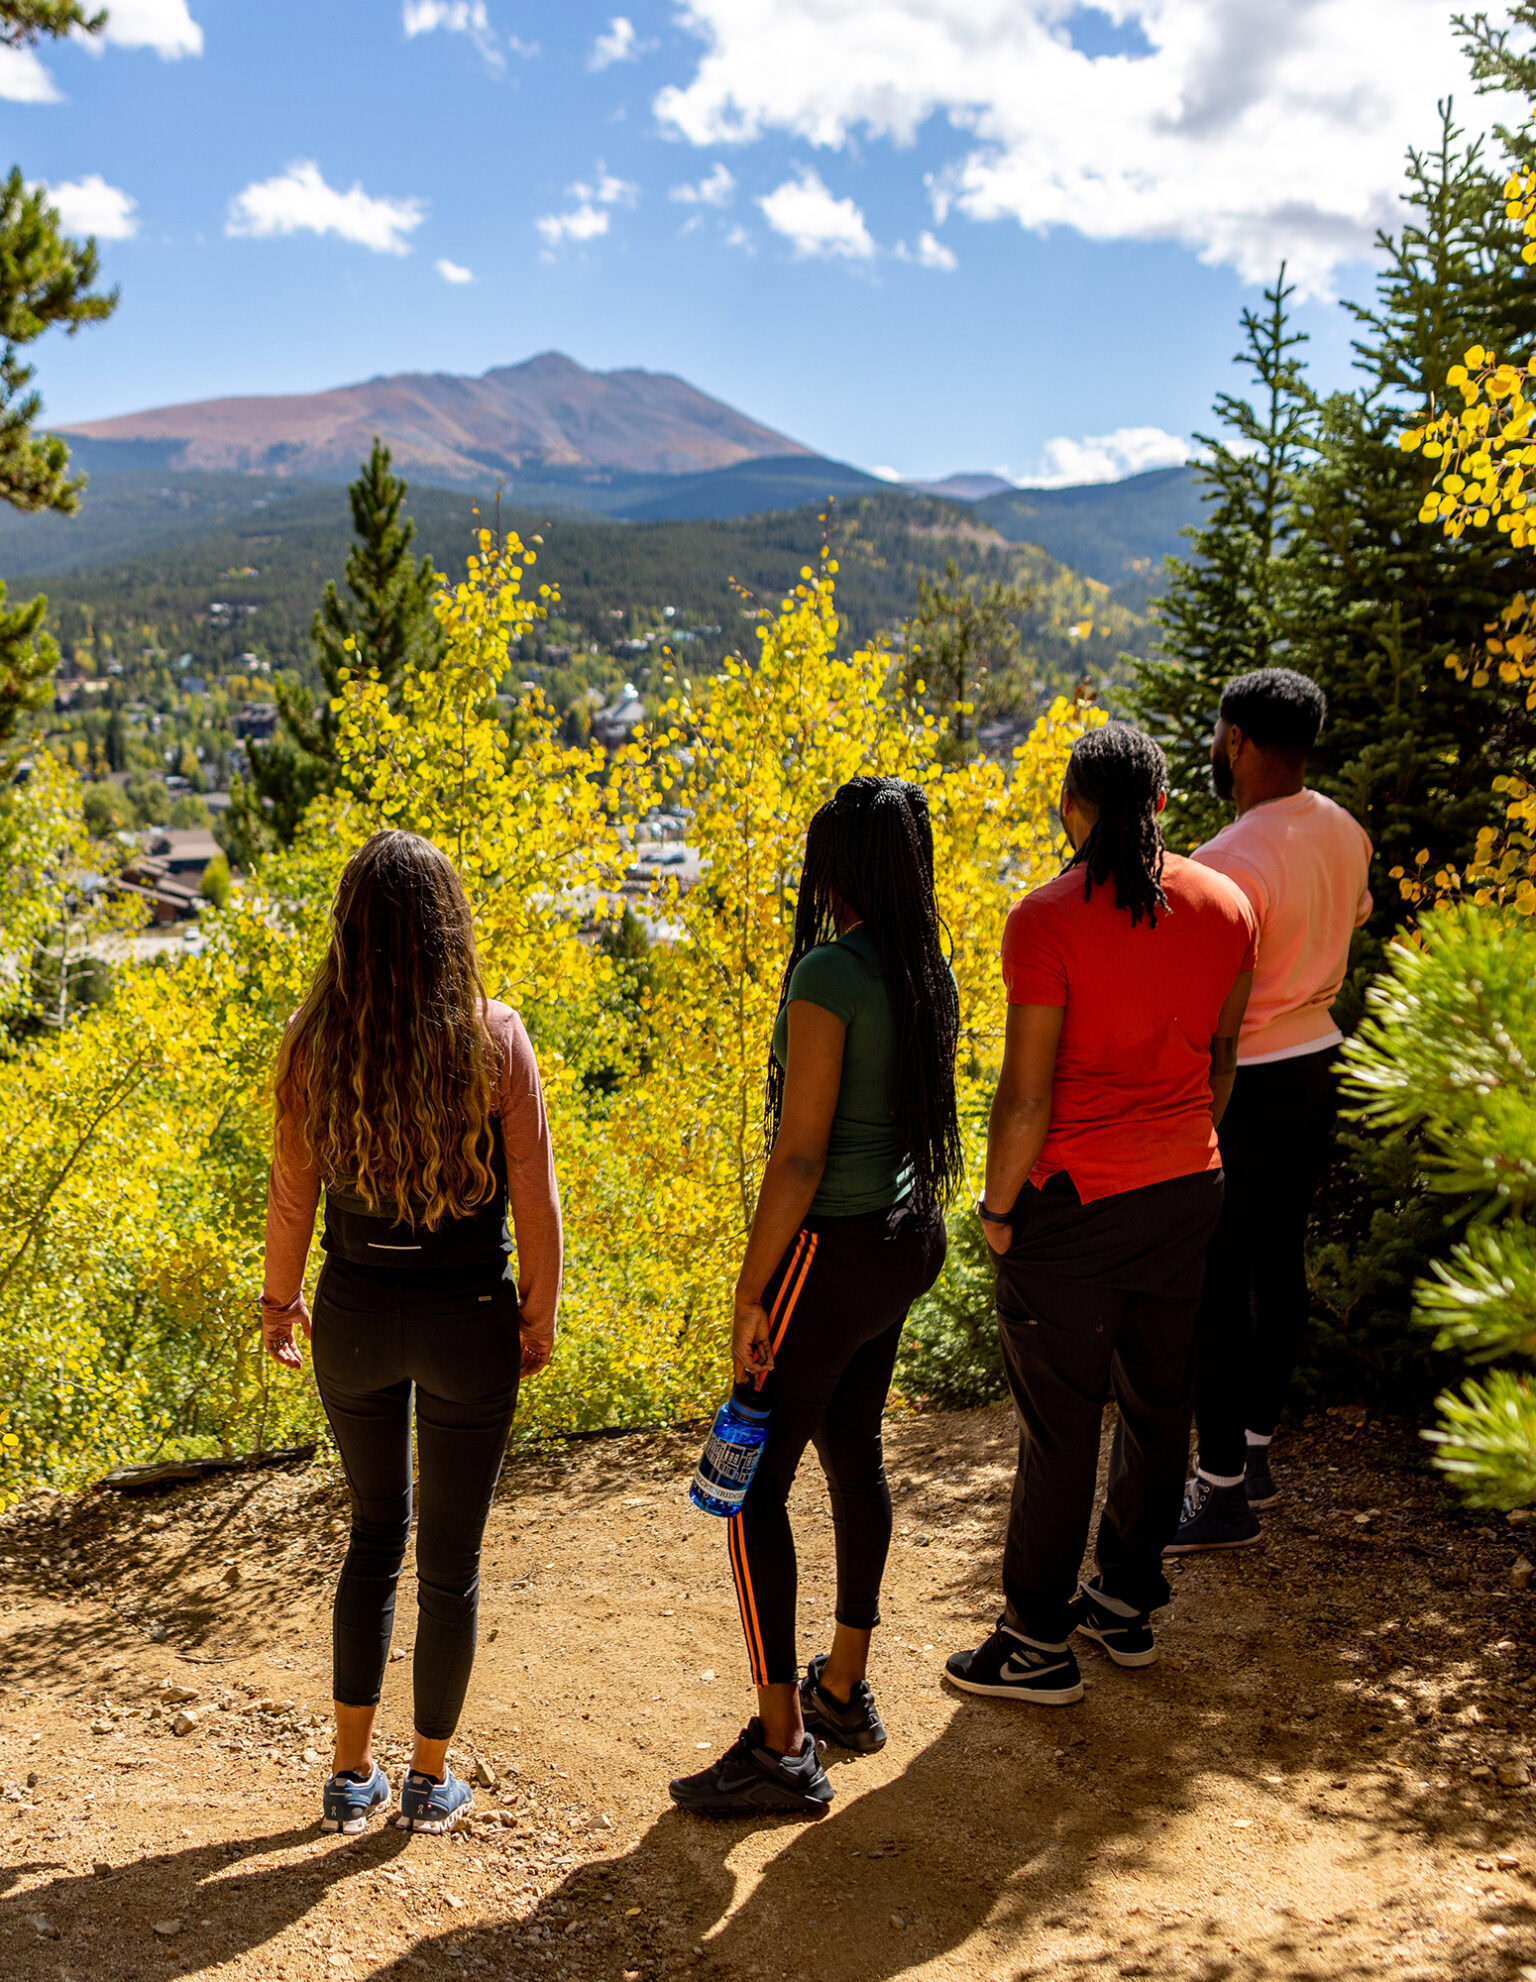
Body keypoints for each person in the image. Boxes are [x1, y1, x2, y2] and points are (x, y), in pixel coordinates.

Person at [260, 829, 562, 1835]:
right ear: (448, 928)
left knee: (373, 1533)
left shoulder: (314, 1041)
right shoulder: (494, 1035)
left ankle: (352, 1774)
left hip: (352, 1311)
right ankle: (429, 1778)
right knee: (452, 1558)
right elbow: (537, 1197)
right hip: (467, 1316)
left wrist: (278, 1301)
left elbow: (292, 1191)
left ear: (349, 932)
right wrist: (540, 1310)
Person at [946, 722, 1255, 1706]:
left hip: (1075, 1204)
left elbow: (1026, 1095)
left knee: (1060, 1423)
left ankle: (1036, 1636)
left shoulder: (1047, 917)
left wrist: (999, 1207)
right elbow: (1221, 1060)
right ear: (1162, 805)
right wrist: (1178, 1148)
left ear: (1073, 805)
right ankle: (1126, 1600)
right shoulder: (1229, 902)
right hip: (1187, 1185)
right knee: (1162, 1403)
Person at [669, 777, 958, 1816]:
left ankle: (784, 1746)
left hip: (829, 1248)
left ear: (834, 866)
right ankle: (844, 1684)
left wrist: (751, 1293)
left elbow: (797, 1156)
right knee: (853, 1447)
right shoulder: (928, 966)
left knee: (749, 1488)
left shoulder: (830, 971)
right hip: (903, 1237)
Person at [1168, 668, 1372, 1552]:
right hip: (1320, 1059)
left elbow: (1197, 995)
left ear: (1239, 740)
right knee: (1278, 1255)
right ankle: (1251, 1452)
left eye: (1220, 733)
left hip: (1246, 1076)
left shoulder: (1226, 861)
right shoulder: (1344, 830)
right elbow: (1353, 917)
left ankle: (1218, 1495)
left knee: (1217, 1274)